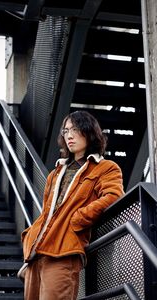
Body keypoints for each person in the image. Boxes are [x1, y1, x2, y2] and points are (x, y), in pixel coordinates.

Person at [19, 110, 124, 300]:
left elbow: (113, 196)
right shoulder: (55, 173)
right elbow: (47, 212)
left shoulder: (105, 168)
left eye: (75, 129)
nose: (69, 135)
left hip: (63, 251)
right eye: (66, 131)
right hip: (36, 253)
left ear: (89, 132)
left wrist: (78, 219)